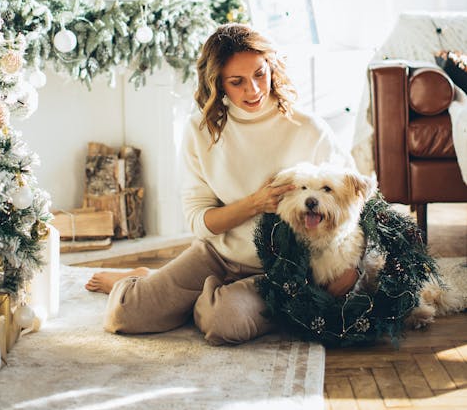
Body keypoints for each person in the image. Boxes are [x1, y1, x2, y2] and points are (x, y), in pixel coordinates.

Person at [85, 23, 358, 345]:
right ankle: (146, 280)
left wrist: (352, 267)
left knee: (222, 324)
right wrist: (256, 203)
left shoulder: (309, 129)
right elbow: (199, 223)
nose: (253, 90)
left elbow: (355, 199)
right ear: (218, 84)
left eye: (260, 74)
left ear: (272, 67)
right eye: (237, 82)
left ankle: (200, 298)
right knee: (126, 314)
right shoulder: (200, 131)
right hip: (216, 254)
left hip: (281, 270)